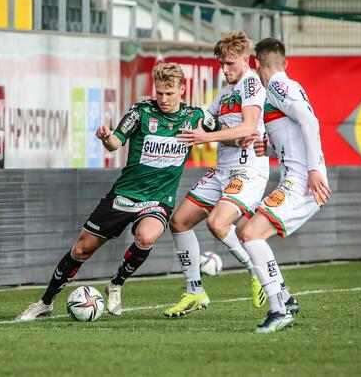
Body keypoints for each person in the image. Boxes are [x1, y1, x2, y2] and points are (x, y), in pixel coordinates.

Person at [16, 62, 222, 322]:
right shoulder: (141, 112)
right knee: (81, 250)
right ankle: (45, 302)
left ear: (182, 89)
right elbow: (114, 143)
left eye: (169, 93)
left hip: (158, 199)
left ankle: (116, 284)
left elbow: (227, 132)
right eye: (159, 92)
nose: (164, 99)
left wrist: (251, 140)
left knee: (146, 237)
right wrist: (105, 137)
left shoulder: (196, 116)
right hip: (124, 194)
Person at [163, 31, 270, 318]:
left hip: (247, 170)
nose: (225, 70)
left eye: (230, 64)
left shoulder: (250, 84)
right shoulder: (225, 93)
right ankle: (195, 290)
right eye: (222, 64)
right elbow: (206, 122)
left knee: (217, 223)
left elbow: (248, 128)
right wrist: (179, 115)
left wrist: (206, 137)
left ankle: (258, 273)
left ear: (246, 60)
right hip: (223, 169)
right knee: (179, 221)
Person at [237, 37, 330, 333]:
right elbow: (296, 131)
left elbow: (310, 123)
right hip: (296, 178)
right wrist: (272, 150)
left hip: (301, 182)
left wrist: (314, 170)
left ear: (255, 64)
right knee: (244, 230)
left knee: (251, 233)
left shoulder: (277, 85)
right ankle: (285, 298)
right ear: (285, 62)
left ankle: (278, 309)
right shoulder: (287, 85)